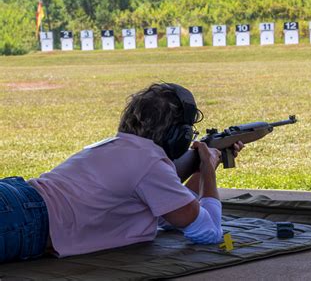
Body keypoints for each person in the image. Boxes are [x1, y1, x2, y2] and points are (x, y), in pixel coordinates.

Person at [0, 83, 244, 262]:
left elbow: (173, 208)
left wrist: (205, 166)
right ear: (178, 135)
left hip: (17, 200)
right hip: (25, 219)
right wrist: (208, 171)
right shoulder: (150, 164)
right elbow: (209, 232)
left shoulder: (111, 146)